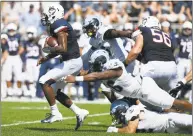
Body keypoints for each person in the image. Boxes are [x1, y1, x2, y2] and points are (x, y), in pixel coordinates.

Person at [65, 49, 192, 112]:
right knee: (163, 109)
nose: (92, 66)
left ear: (100, 62)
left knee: (172, 103)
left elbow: (99, 76)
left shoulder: (113, 67)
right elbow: (85, 72)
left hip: (145, 89)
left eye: (94, 64)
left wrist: (76, 78)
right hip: (136, 93)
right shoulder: (99, 70)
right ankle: (181, 116)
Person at [37, 4, 88, 130]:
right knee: (55, 92)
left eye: (46, 14)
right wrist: (46, 58)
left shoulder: (58, 23)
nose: (45, 17)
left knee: (43, 80)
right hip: (72, 61)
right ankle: (79, 112)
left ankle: (55, 113)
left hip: (71, 62)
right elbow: (61, 49)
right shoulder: (56, 24)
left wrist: (47, 49)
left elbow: (62, 48)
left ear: (54, 13)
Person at [107, 99, 192, 134]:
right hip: (169, 129)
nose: (115, 117)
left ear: (121, 111)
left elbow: (130, 130)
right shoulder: (127, 121)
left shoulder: (132, 110)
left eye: (116, 114)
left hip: (171, 119)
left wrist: (115, 130)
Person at [3, 23, 24, 96]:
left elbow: (21, 48)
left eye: (12, 30)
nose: (11, 31)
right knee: (8, 75)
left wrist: (18, 54)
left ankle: (19, 91)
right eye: (10, 30)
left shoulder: (18, 36)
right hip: (8, 56)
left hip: (16, 57)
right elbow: (4, 48)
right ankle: (9, 91)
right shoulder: (5, 36)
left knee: (18, 75)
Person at [22, 26, 42, 97]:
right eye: (28, 33)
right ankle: (32, 93)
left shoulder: (39, 42)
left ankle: (37, 93)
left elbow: (41, 53)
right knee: (29, 77)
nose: (29, 34)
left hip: (36, 60)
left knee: (36, 78)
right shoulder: (26, 42)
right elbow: (23, 51)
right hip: (29, 60)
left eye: (30, 33)